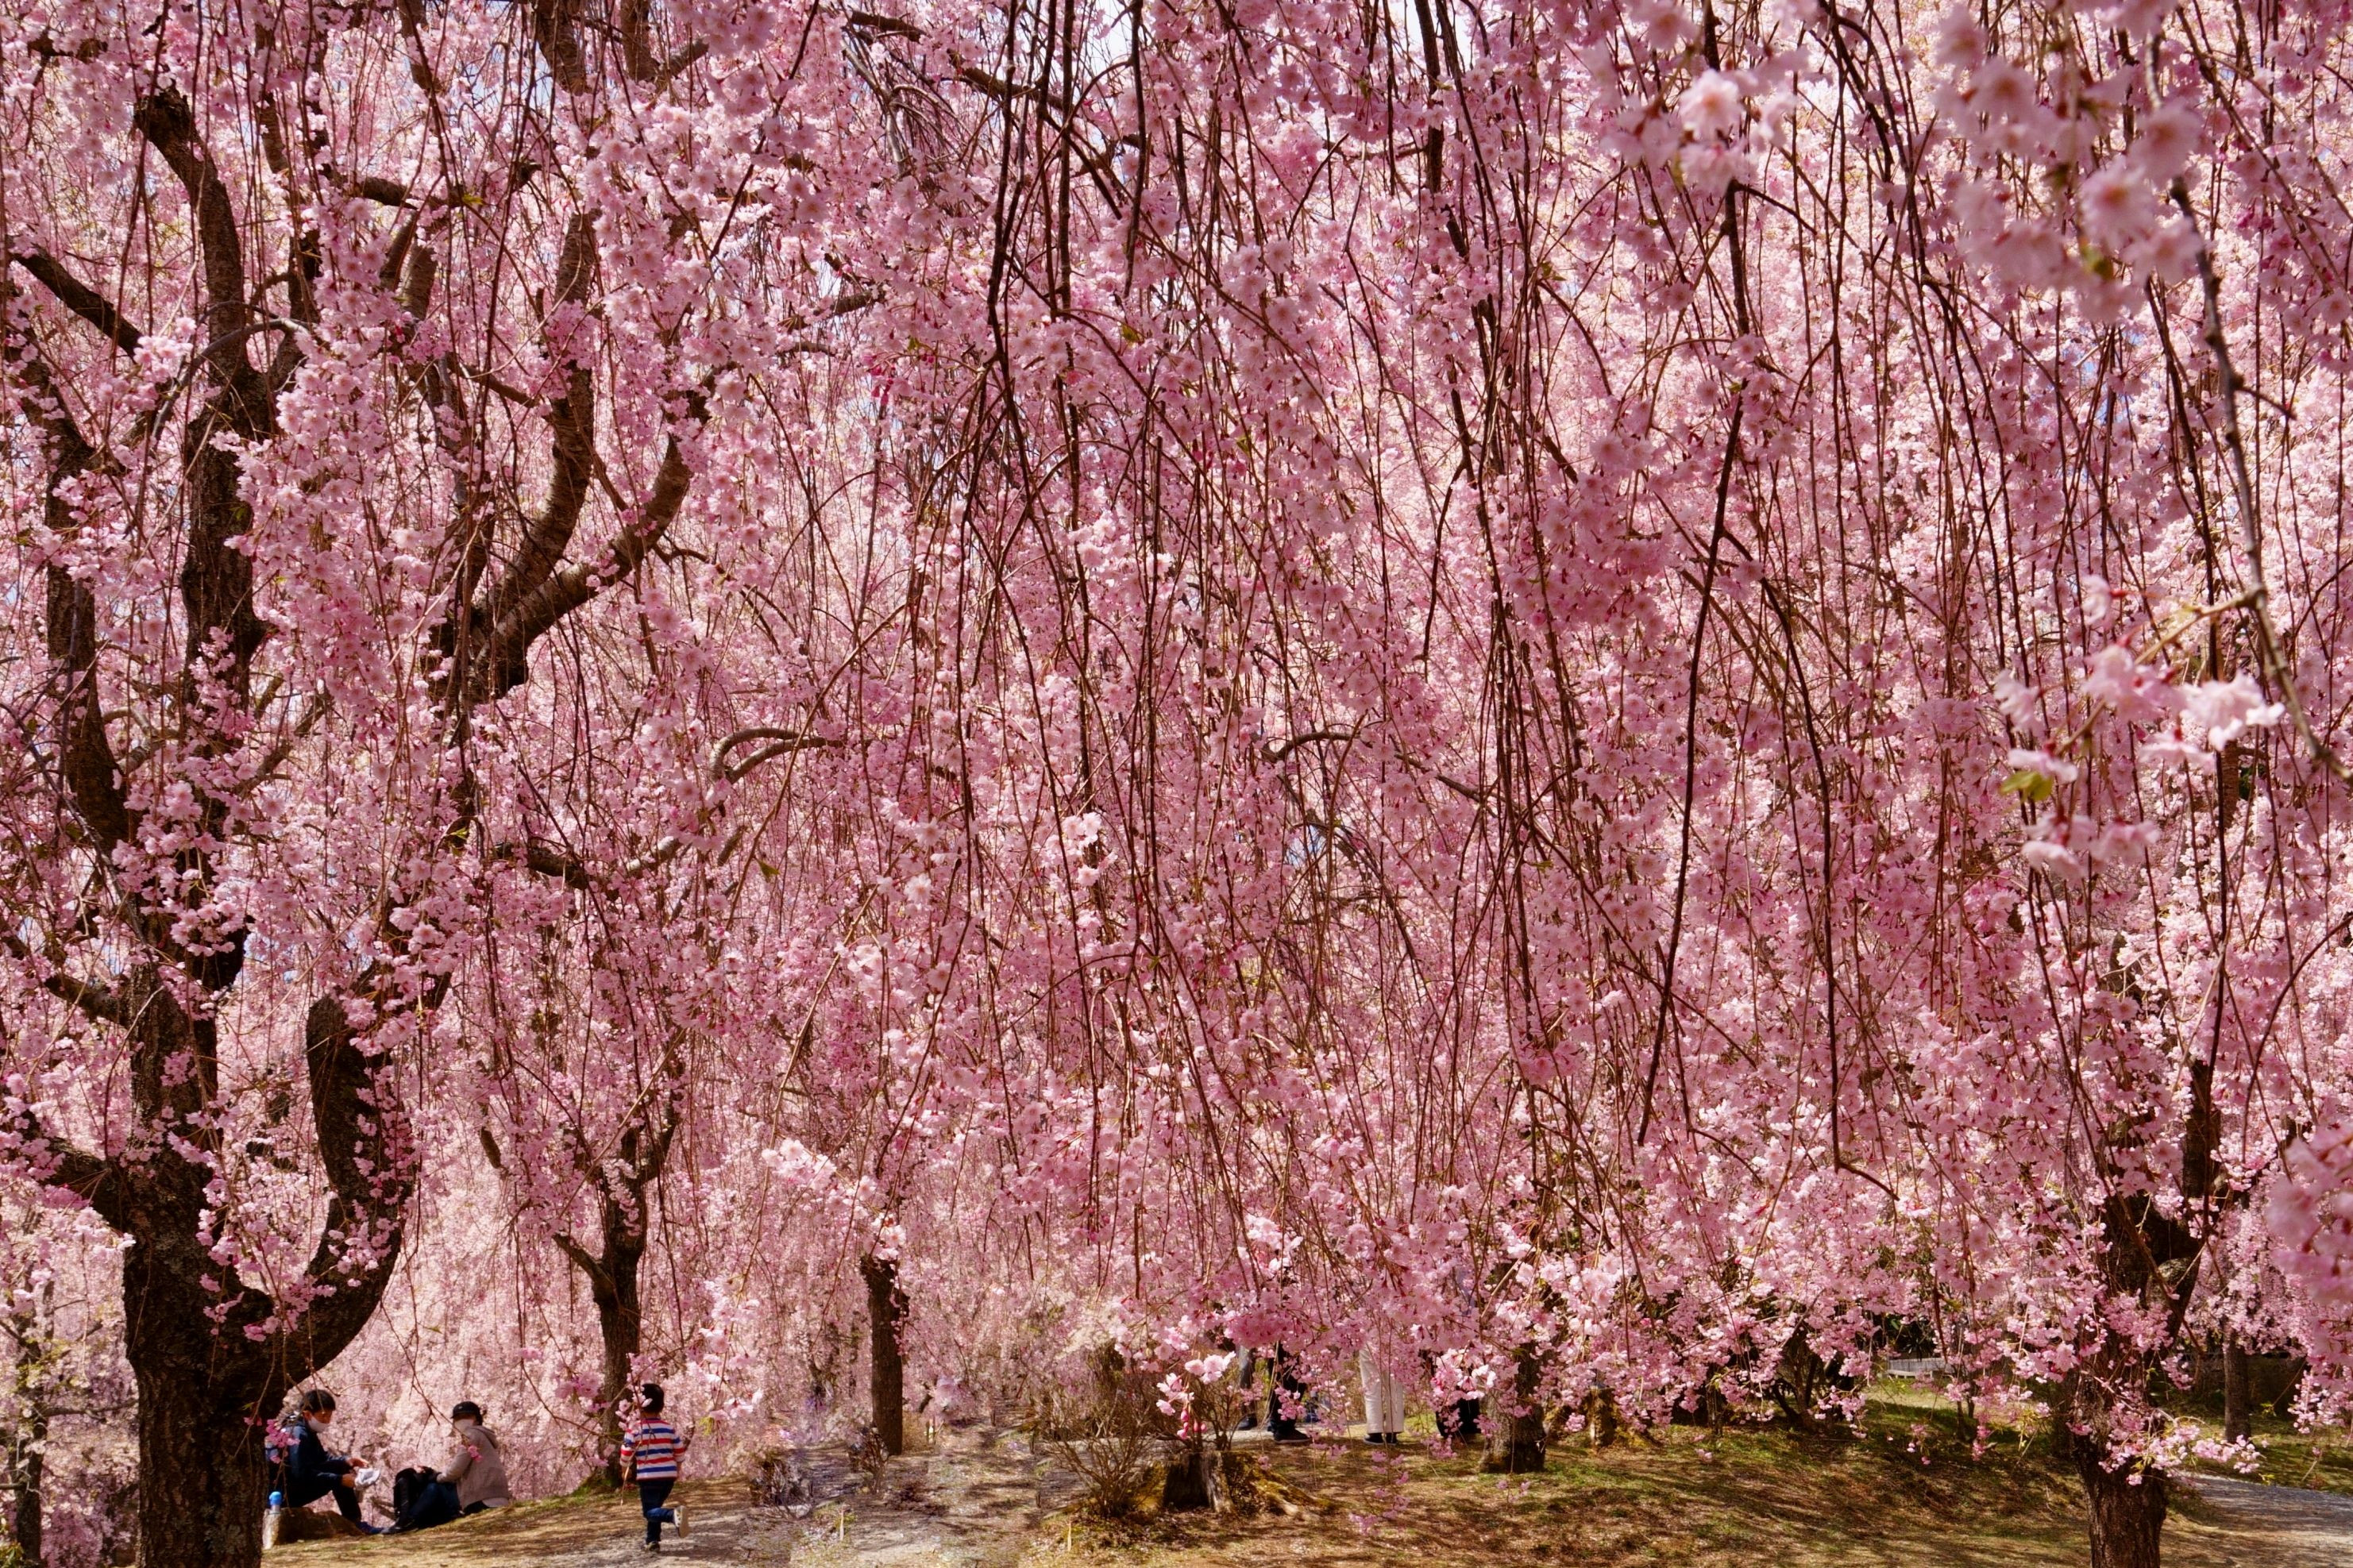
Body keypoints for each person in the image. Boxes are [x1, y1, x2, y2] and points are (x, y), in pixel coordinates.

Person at [392, 1400, 514, 1532]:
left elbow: (455, 1471)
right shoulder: (483, 1436)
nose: (462, 1420)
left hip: (481, 1498)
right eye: (458, 1418)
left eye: (466, 1416)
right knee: (443, 1485)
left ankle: (407, 1521)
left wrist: (436, 1477)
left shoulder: (471, 1435)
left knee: (434, 1488)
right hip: (496, 1495)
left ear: (477, 1419)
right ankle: (412, 1522)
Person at [284, 1389, 381, 1533]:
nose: (327, 1421)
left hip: (293, 1487)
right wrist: (339, 1480)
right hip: (285, 1495)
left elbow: (322, 1459)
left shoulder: (306, 1430)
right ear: (308, 1414)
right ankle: (355, 1523)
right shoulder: (298, 1434)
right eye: (323, 1416)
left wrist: (347, 1461)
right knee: (339, 1475)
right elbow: (301, 1473)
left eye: (329, 1416)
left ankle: (355, 1522)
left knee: (340, 1468)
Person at [619, 1383, 689, 1551]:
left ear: (638, 1405)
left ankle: (673, 1515)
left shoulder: (635, 1429)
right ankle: (652, 1540)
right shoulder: (668, 1428)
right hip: (668, 1477)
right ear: (662, 1406)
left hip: (648, 1477)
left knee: (649, 1511)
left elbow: (626, 1452)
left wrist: (624, 1469)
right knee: (655, 1506)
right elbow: (679, 1450)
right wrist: (677, 1469)